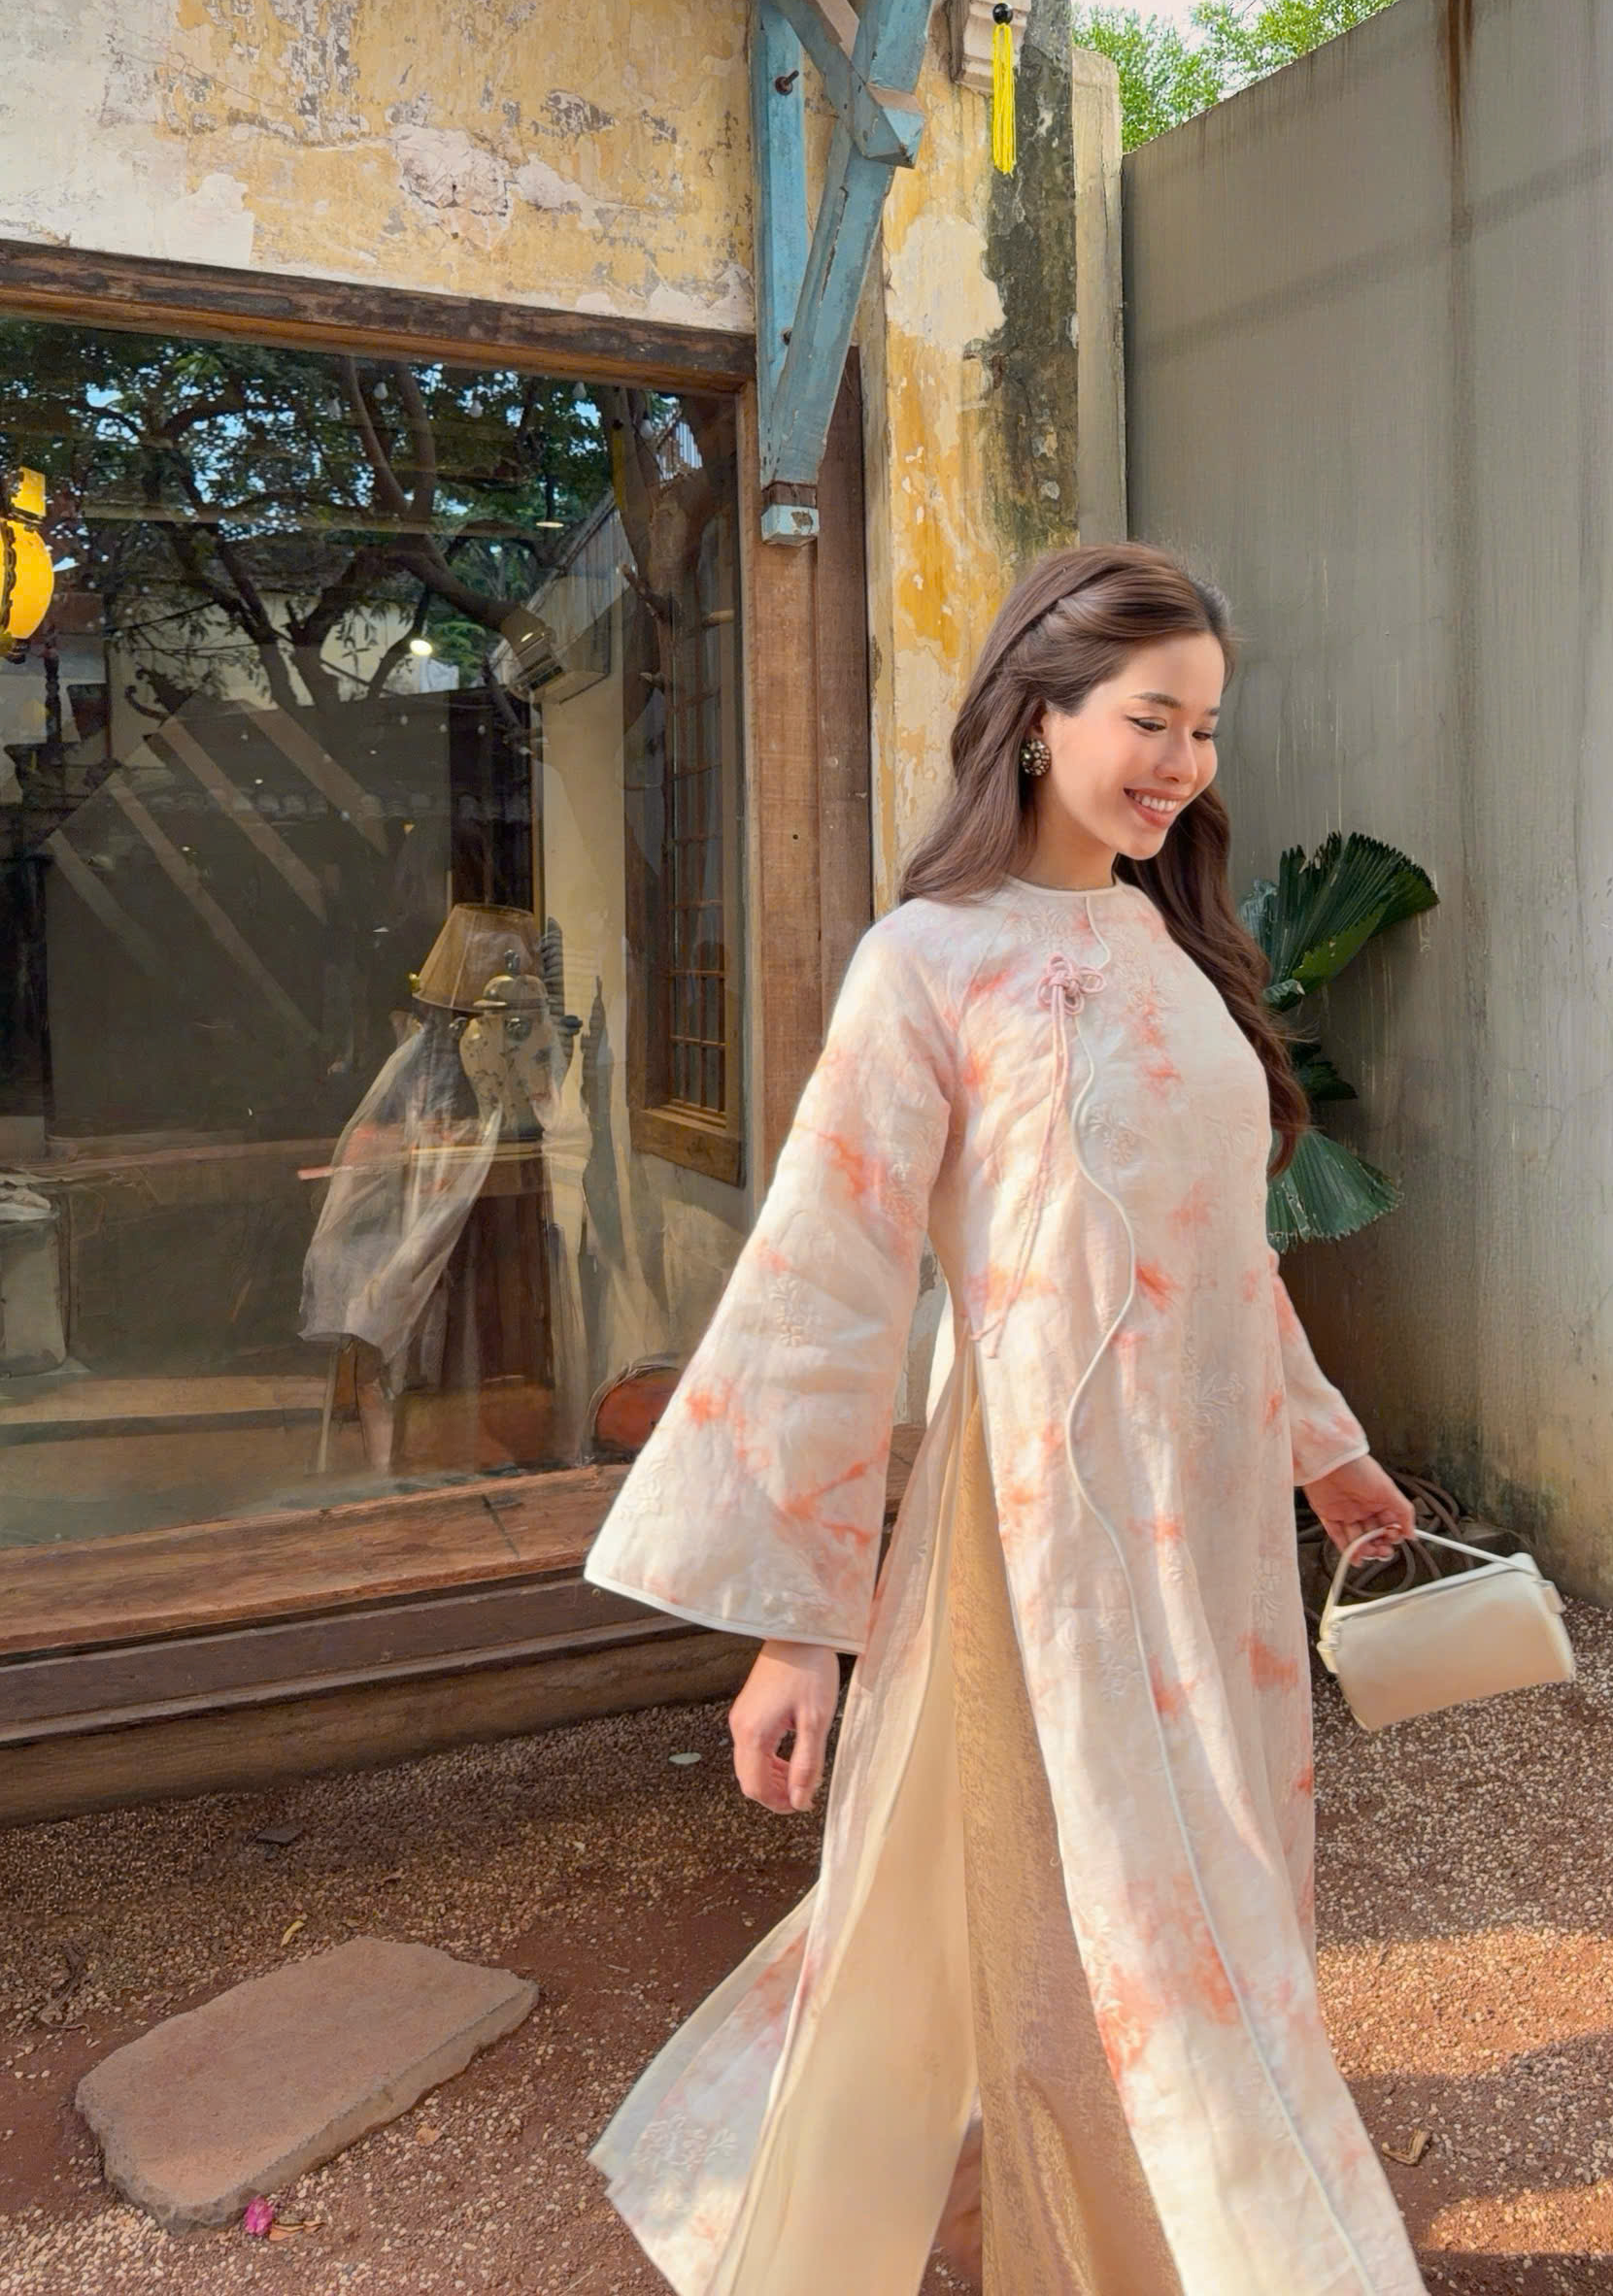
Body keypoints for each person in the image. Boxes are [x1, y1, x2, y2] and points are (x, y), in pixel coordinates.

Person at [583, 542, 1428, 2296]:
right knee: (1089, 1916)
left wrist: (1327, 1452)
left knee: (1225, 1890)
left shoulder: (1174, 947)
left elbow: (1222, 1261)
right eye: (1149, 719)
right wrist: (797, 1630)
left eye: (1205, 727)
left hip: (1220, 1549)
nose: (1182, 763)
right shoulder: (929, 963)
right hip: (1053, 1539)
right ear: (1038, 716)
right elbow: (826, 1283)